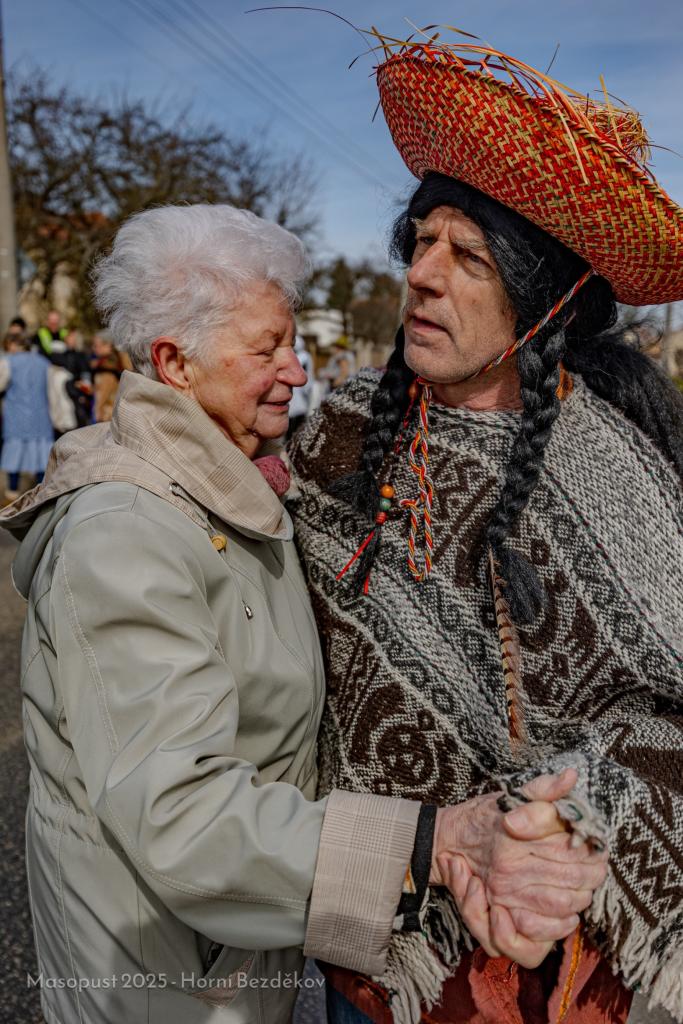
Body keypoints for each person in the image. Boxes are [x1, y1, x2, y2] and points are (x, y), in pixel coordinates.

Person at [0, 204, 603, 1024]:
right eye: (266, 349)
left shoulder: (240, 485)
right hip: (161, 982)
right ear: (174, 362)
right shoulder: (126, 535)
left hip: (229, 956)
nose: (295, 369)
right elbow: (182, 816)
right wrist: (432, 842)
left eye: (292, 342)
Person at [288, 33, 683, 1024]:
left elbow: (669, 711)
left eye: (466, 256)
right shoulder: (338, 436)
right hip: (376, 952)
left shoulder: (617, 471)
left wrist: (565, 818)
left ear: (544, 301)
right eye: (420, 241)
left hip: (562, 963)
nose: (422, 274)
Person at [0, 333, 53, 503]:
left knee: (14, 454)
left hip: (16, 415)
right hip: (40, 415)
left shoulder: (8, 362)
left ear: (14, 345)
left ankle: (12, 491)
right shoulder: (43, 362)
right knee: (41, 455)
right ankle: (40, 492)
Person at [90, 329, 131, 420]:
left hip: (107, 415)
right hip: (113, 413)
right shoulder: (116, 364)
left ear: (108, 345)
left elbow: (103, 394)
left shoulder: (107, 369)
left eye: (96, 345)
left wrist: (98, 413)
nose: (94, 348)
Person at [287, 334, 313, 436]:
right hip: (296, 390)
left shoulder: (304, 356)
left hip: (301, 390)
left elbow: (307, 374)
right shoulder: (295, 355)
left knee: (300, 412)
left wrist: (306, 388)